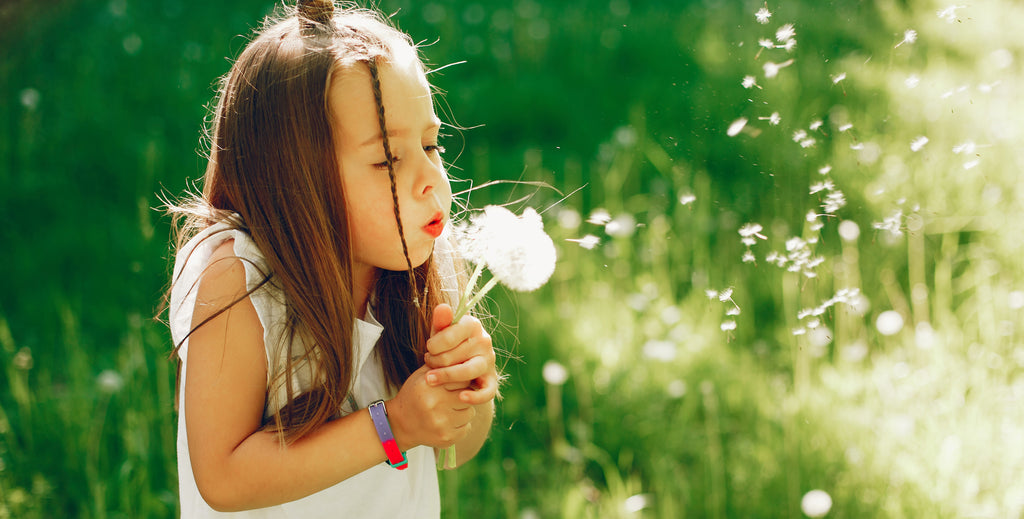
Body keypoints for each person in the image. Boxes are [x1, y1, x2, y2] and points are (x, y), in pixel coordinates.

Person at [164, 1, 498, 516]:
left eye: (431, 146)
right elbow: (224, 478)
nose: (431, 179)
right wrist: (394, 426)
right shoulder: (238, 281)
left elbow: (452, 452)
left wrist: (465, 398)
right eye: (387, 159)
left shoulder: (414, 264)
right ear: (293, 180)